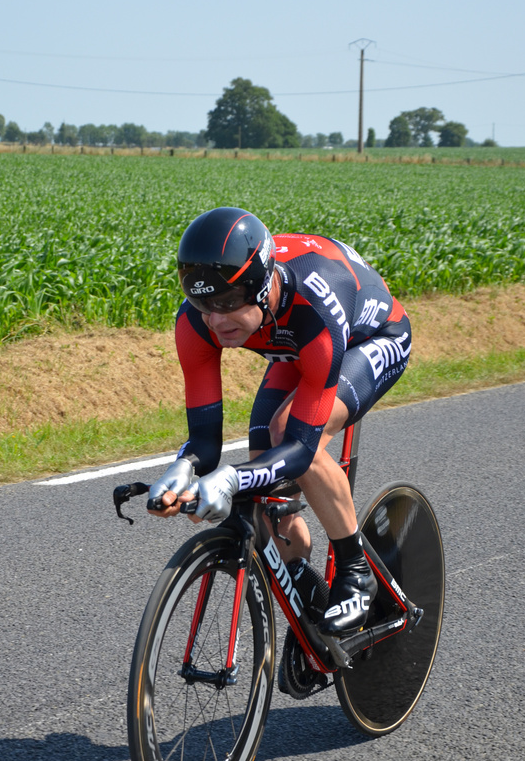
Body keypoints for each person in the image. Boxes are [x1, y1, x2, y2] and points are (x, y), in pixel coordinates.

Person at [147, 206, 412, 637]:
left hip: (369, 337)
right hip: (291, 344)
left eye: (227, 303)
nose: (214, 320)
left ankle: (355, 567)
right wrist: (184, 467)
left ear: (261, 286)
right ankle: (306, 595)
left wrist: (230, 479)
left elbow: (302, 447)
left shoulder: (314, 309)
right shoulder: (197, 322)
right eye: (202, 303)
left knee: (290, 438)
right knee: (265, 478)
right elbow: (205, 443)